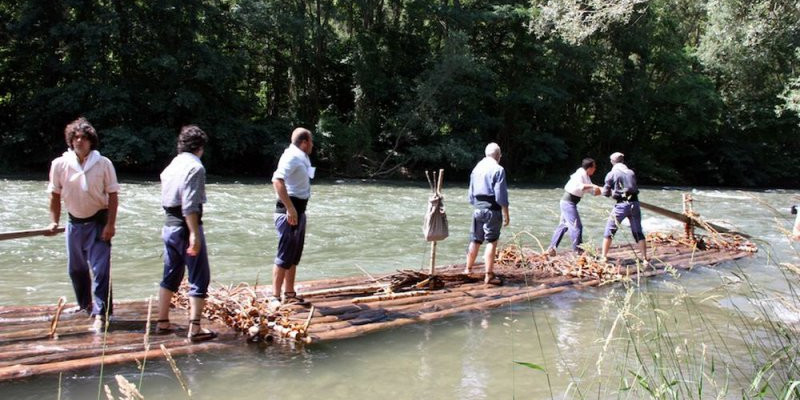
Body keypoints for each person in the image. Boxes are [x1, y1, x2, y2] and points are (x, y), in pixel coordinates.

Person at [46, 117, 119, 333]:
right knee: (76, 269)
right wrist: (53, 221)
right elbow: (54, 195)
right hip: (74, 222)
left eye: (84, 138)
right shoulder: (60, 164)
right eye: (76, 137)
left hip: (99, 220)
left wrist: (111, 224)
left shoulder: (103, 163)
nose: (79, 141)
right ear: (70, 140)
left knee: (100, 269)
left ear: (91, 141)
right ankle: (85, 305)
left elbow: (113, 195)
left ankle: (102, 313)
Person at [156, 125, 217, 342]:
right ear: (200, 147)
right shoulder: (195, 167)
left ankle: (162, 321)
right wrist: (194, 234)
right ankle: (195, 328)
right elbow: (190, 205)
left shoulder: (172, 165)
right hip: (185, 227)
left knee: (171, 274)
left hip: (169, 227)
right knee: (200, 276)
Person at [270, 127, 315, 308]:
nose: (312, 145)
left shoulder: (301, 156)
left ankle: (289, 293)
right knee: (284, 255)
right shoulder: (292, 156)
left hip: (299, 210)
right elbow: (277, 180)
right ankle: (274, 296)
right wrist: (290, 208)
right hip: (289, 212)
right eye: (311, 141)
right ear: (304, 142)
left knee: (293, 255)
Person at [463, 142, 510, 284]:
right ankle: (489, 275)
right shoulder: (498, 169)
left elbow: (471, 194)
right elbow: (501, 195)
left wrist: (477, 206)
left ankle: (468, 269)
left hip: (477, 208)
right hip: (492, 209)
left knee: (475, 239)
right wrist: (506, 214)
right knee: (492, 241)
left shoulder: (476, 168)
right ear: (498, 156)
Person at [544, 158, 602, 256]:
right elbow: (582, 187)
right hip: (568, 202)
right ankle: (578, 252)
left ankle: (551, 249)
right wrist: (594, 186)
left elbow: (593, 192)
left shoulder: (586, 176)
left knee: (563, 226)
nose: (595, 169)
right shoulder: (580, 173)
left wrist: (604, 190)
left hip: (569, 202)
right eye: (594, 167)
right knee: (577, 227)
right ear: (589, 168)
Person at [600, 152, 647, 262]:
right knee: (638, 231)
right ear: (623, 161)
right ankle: (645, 258)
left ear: (612, 162)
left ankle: (604, 256)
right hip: (635, 204)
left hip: (621, 205)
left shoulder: (611, 174)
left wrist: (610, 192)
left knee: (610, 230)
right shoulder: (631, 172)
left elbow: (606, 193)